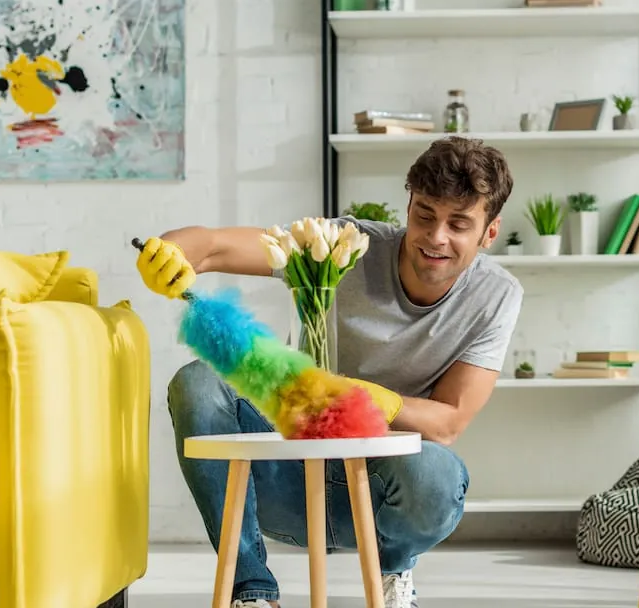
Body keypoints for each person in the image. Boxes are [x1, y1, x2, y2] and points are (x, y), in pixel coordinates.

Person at [137, 136, 524, 608]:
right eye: (425, 214)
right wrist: (173, 250)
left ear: (489, 232)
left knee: (438, 476)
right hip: (283, 474)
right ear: (408, 206)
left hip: (377, 491)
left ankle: (393, 571)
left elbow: (449, 421)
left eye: (458, 224)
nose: (435, 236)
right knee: (197, 380)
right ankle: (251, 591)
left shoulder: (496, 296)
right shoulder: (346, 246)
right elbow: (216, 247)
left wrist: (371, 398)